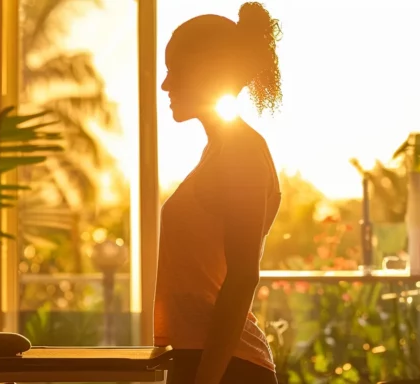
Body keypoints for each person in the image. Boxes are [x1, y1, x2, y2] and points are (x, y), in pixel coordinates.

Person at [154, 2, 283, 384]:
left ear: (207, 71)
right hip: (201, 360)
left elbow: (243, 277)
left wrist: (205, 380)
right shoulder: (218, 151)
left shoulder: (242, 152)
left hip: (227, 368)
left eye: (174, 70)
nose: (165, 84)